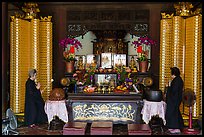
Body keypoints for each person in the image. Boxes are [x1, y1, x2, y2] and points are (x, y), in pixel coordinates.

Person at [165, 67, 184, 134]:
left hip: (173, 100)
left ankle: (174, 127)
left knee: (172, 113)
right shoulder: (179, 79)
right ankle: (177, 127)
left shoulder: (176, 80)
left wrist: (168, 87)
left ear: (173, 73)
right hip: (176, 99)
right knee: (175, 113)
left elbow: (174, 91)